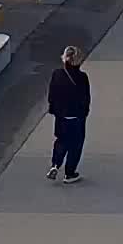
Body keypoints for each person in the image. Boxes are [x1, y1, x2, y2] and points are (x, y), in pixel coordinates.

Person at [46, 45, 91, 183]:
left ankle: (55, 165)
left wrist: (54, 110)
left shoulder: (57, 74)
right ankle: (69, 174)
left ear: (64, 58)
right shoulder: (82, 77)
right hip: (76, 117)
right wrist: (84, 112)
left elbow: (52, 95)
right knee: (75, 145)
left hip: (61, 116)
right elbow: (86, 98)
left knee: (61, 140)